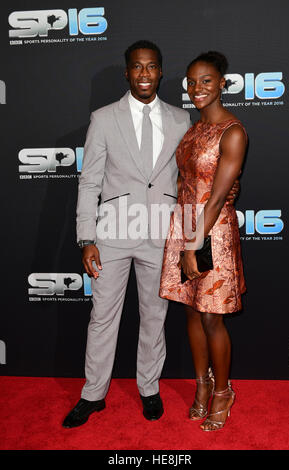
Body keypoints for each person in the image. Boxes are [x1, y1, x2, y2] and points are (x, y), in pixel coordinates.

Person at [63, 41, 238, 429]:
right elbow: (89, 180)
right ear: (127, 73)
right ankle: (92, 394)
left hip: (162, 234)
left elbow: (196, 175)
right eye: (137, 68)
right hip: (112, 232)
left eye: (152, 67)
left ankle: (148, 388)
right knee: (102, 317)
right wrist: (85, 237)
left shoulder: (182, 119)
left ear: (161, 72)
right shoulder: (103, 118)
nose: (145, 74)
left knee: (154, 317)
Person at [159, 51, 247, 431]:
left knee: (212, 317)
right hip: (185, 225)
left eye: (207, 81)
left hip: (212, 231)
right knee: (191, 311)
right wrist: (179, 234)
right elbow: (184, 184)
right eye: (192, 82)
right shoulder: (193, 130)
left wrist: (193, 244)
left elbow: (216, 198)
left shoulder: (234, 131)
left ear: (223, 83)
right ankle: (201, 385)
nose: (197, 88)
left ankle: (223, 391)